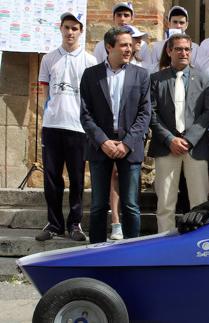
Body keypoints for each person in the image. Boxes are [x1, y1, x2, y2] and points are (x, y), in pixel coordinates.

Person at [80, 27, 151, 243]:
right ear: (109, 47)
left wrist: (127, 144)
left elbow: (145, 113)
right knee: (99, 205)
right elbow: (85, 114)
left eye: (130, 45)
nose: (129, 49)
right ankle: (97, 252)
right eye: (124, 45)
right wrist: (102, 141)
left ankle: (131, 252)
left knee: (131, 205)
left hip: (129, 147)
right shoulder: (91, 75)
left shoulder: (141, 75)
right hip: (100, 146)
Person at [35, 12, 96, 242]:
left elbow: (92, 96)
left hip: (78, 128)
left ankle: (75, 224)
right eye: (67, 27)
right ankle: (54, 223)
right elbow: (43, 92)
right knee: (51, 178)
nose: (70, 32)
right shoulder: (49, 58)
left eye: (75, 28)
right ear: (60, 28)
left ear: (81, 31)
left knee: (77, 178)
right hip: (52, 126)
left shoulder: (89, 60)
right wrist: (47, 116)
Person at [148, 34, 209, 233]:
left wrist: (188, 139)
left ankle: (198, 243)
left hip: (195, 147)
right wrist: (170, 139)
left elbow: (208, 113)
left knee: (199, 202)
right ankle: (164, 245)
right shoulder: (156, 79)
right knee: (165, 204)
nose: (183, 53)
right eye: (178, 49)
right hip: (166, 147)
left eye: (187, 49)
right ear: (169, 52)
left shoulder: (204, 79)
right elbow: (151, 113)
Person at [145, 6, 200, 73]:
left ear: (186, 25)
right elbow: (150, 70)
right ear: (168, 23)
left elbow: (196, 70)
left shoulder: (195, 47)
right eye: (175, 22)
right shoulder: (156, 47)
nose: (178, 26)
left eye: (181, 23)